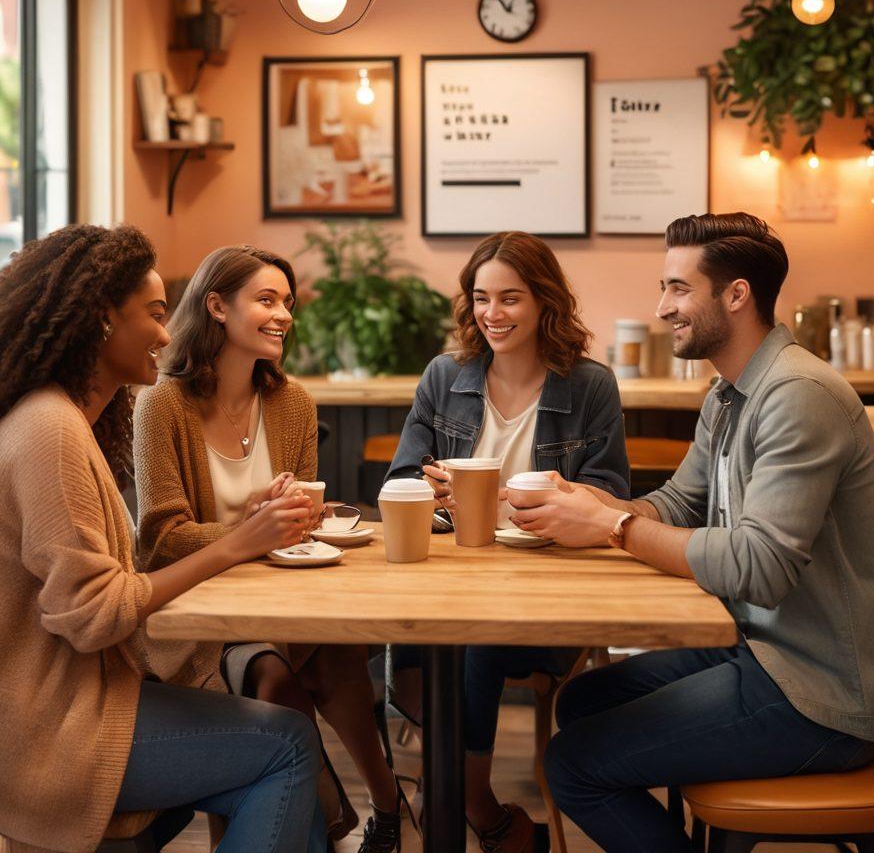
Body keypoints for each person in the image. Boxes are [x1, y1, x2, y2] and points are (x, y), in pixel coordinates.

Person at [516, 212, 874, 853]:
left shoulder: (798, 394)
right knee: (581, 704)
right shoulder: (729, 394)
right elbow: (680, 502)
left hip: (823, 691)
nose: (662, 306)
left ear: (736, 294)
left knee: (573, 765)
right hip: (761, 649)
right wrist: (590, 503)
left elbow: (759, 566)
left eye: (678, 288)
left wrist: (611, 526)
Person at [0, 224, 322, 853]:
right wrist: (235, 543)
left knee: (282, 744)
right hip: (56, 736)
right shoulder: (50, 432)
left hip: (75, 710)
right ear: (99, 321)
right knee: (288, 744)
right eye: (152, 313)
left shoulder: (59, 417)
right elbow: (96, 615)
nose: (168, 332)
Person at [134, 245, 406, 853]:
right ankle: (338, 821)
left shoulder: (292, 403)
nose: (284, 313)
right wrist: (247, 533)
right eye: (266, 300)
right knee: (278, 679)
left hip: (280, 598)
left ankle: (385, 808)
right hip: (198, 613)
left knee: (337, 655)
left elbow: (298, 531)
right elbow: (158, 542)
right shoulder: (161, 404)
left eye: (287, 301)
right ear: (216, 307)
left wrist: (290, 517)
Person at [385, 231, 630, 853]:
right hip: (455, 577)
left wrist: (497, 505)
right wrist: (430, 494)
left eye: (511, 298)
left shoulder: (590, 387)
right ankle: (465, 800)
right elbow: (400, 480)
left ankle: (465, 799)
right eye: (481, 298)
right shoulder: (445, 378)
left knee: (478, 637)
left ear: (546, 301)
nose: (492, 314)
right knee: (404, 631)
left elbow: (604, 496)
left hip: (552, 592)